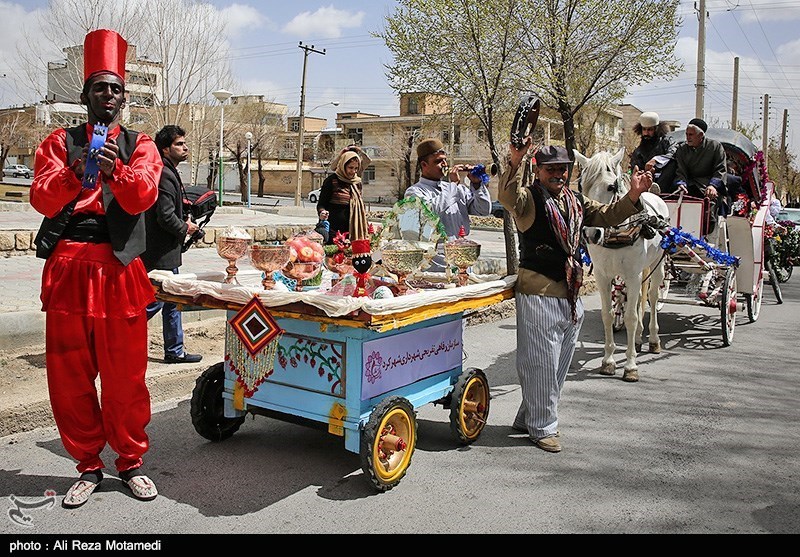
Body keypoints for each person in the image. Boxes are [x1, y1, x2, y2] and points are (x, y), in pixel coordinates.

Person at [29, 29, 162, 508]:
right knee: (69, 376)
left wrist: (115, 171)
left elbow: (143, 195)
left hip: (120, 268)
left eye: (116, 88)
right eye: (99, 87)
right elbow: (40, 197)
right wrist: (74, 169)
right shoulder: (58, 142)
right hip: (69, 267)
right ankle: (88, 464)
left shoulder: (141, 144)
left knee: (126, 376)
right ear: (85, 95)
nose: (108, 95)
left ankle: (129, 462)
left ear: (125, 98)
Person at [497, 142, 653, 453]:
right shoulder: (529, 198)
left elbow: (608, 215)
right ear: (539, 171)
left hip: (568, 292)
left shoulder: (575, 201)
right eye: (550, 168)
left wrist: (633, 194)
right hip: (538, 290)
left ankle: (529, 415)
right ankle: (542, 428)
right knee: (540, 362)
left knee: (558, 363)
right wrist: (515, 162)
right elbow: (507, 196)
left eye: (562, 168)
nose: (557, 173)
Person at [141, 125, 202, 364]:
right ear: (165, 149)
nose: (185, 147)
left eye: (184, 143)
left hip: (166, 250)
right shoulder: (164, 173)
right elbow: (164, 216)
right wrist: (185, 228)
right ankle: (116, 336)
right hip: (160, 252)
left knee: (173, 301)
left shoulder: (168, 170)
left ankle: (175, 350)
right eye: (179, 144)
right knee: (155, 302)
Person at [404, 138, 492, 239]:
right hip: (435, 252)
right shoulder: (413, 192)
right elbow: (430, 212)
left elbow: (483, 210)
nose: (445, 164)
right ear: (424, 165)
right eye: (439, 161)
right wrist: (453, 184)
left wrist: (477, 185)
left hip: (459, 248)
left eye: (445, 160)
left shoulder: (458, 189)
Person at [672, 118, 727, 236]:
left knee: (708, 202)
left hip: (708, 186)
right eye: (686, 134)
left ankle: (704, 235)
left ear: (701, 135)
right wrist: (681, 184)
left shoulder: (715, 147)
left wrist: (713, 186)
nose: (687, 137)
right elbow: (680, 171)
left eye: (691, 134)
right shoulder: (682, 149)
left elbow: (720, 169)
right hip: (690, 185)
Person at [316, 145, 371, 243]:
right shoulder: (331, 181)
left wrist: (360, 151)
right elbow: (321, 203)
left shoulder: (356, 182)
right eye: (350, 168)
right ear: (343, 165)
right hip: (334, 233)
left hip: (354, 232)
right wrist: (322, 212)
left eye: (356, 168)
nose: (353, 171)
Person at [629, 111, 676, 192]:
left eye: (650, 130)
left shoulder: (666, 141)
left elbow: (673, 152)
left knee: (673, 163)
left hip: (667, 181)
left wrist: (656, 160)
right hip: (647, 183)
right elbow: (634, 167)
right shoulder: (638, 151)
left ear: (656, 129)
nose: (646, 133)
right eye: (644, 129)